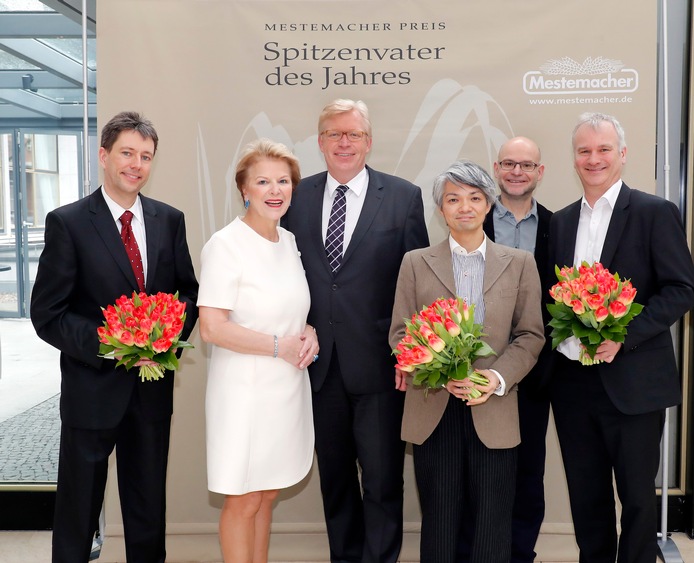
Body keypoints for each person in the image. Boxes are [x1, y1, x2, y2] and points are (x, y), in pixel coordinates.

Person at [30, 111, 199, 562]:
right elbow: (48, 313)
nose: (136, 164)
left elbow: (188, 293)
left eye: (146, 156)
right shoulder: (68, 223)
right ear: (104, 156)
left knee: (147, 505)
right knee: (78, 508)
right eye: (127, 153)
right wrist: (120, 343)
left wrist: (160, 343)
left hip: (151, 390)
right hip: (92, 389)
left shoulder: (169, 220)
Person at [280, 99, 429, 563]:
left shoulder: (403, 196)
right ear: (319, 141)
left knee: (384, 481)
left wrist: (411, 353)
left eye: (354, 134)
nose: (344, 142)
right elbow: (284, 273)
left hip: (382, 367)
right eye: (334, 133)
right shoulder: (295, 197)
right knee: (336, 480)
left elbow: (416, 283)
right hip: (319, 366)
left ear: (369, 141)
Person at [549, 112, 694, 562]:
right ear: (574, 159)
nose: (593, 159)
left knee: (636, 499)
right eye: (584, 151)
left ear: (623, 155)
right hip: (573, 385)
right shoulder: (560, 222)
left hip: (634, 384)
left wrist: (624, 335)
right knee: (586, 498)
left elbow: (682, 289)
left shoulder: (654, 212)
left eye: (603, 149)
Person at [389, 160, 545, 563]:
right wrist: (443, 375)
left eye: (475, 198)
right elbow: (401, 336)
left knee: (493, 520)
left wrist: (493, 378)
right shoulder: (415, 262)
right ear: (440, 210)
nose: (464, 207)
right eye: (453, 199)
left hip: (494, 406)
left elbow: (530, 335)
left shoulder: (519, 262)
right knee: (440, 518)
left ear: (489, 205)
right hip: (434, 407)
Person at [198, 139, 318, 563]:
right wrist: (277, 346)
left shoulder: (287, 241)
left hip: (285, 390)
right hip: (244, 394)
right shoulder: (225, 245)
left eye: (283, 181)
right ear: (244, 189)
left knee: (267, 495)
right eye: (263, 181)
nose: (275, 189)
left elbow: (290, 309)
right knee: (244, 500)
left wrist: (308, 332)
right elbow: (212, 328)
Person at [489, 137, 553, 563]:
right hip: (480, 366)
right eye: (509, 163)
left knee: (528, 469)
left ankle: (519, 553)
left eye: (526, 165)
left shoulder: (559, 225)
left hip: (536, 369)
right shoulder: (470, 218)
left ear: (540, 172)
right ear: (496, 168)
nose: (517, 171)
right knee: (482, 471)